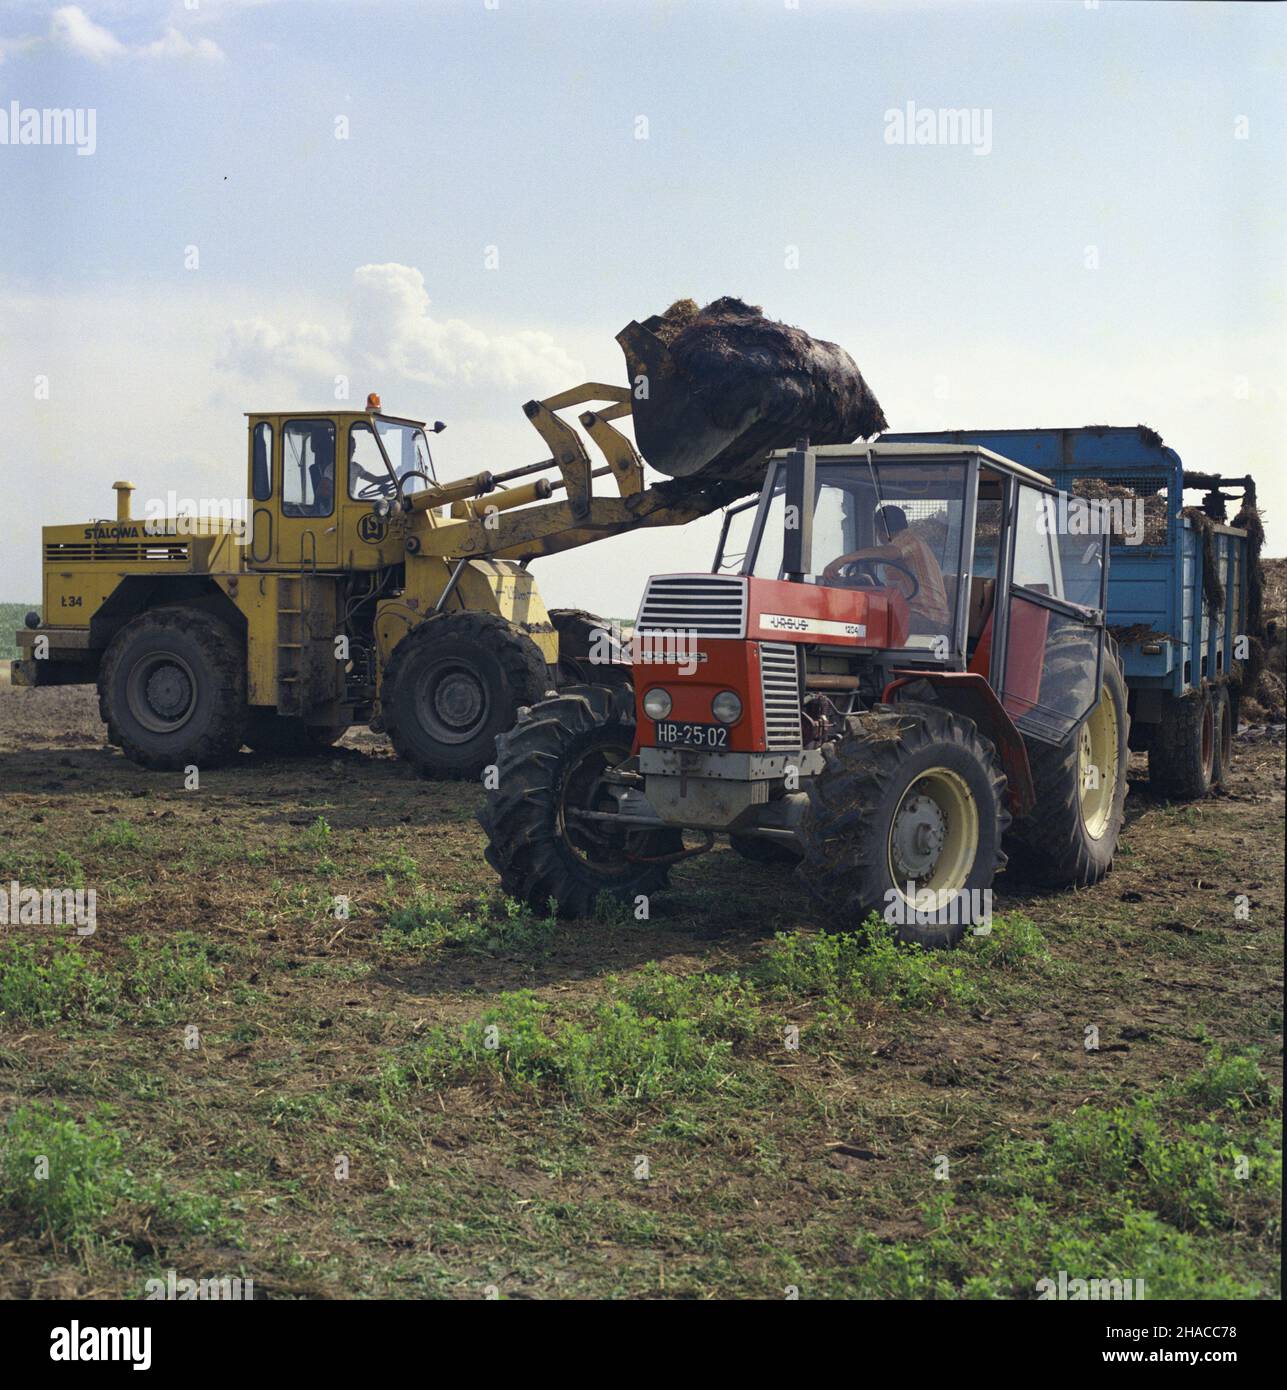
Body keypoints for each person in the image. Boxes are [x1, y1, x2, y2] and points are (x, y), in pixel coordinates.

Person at [822, 503, 951, 631]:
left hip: (927, 618)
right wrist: (869, 584)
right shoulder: (899, 558)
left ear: (882, 530)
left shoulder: (908, 539)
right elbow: (895, 594)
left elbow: (886, 552)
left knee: (859, 622)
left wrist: (842, 560)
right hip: (911, 614)